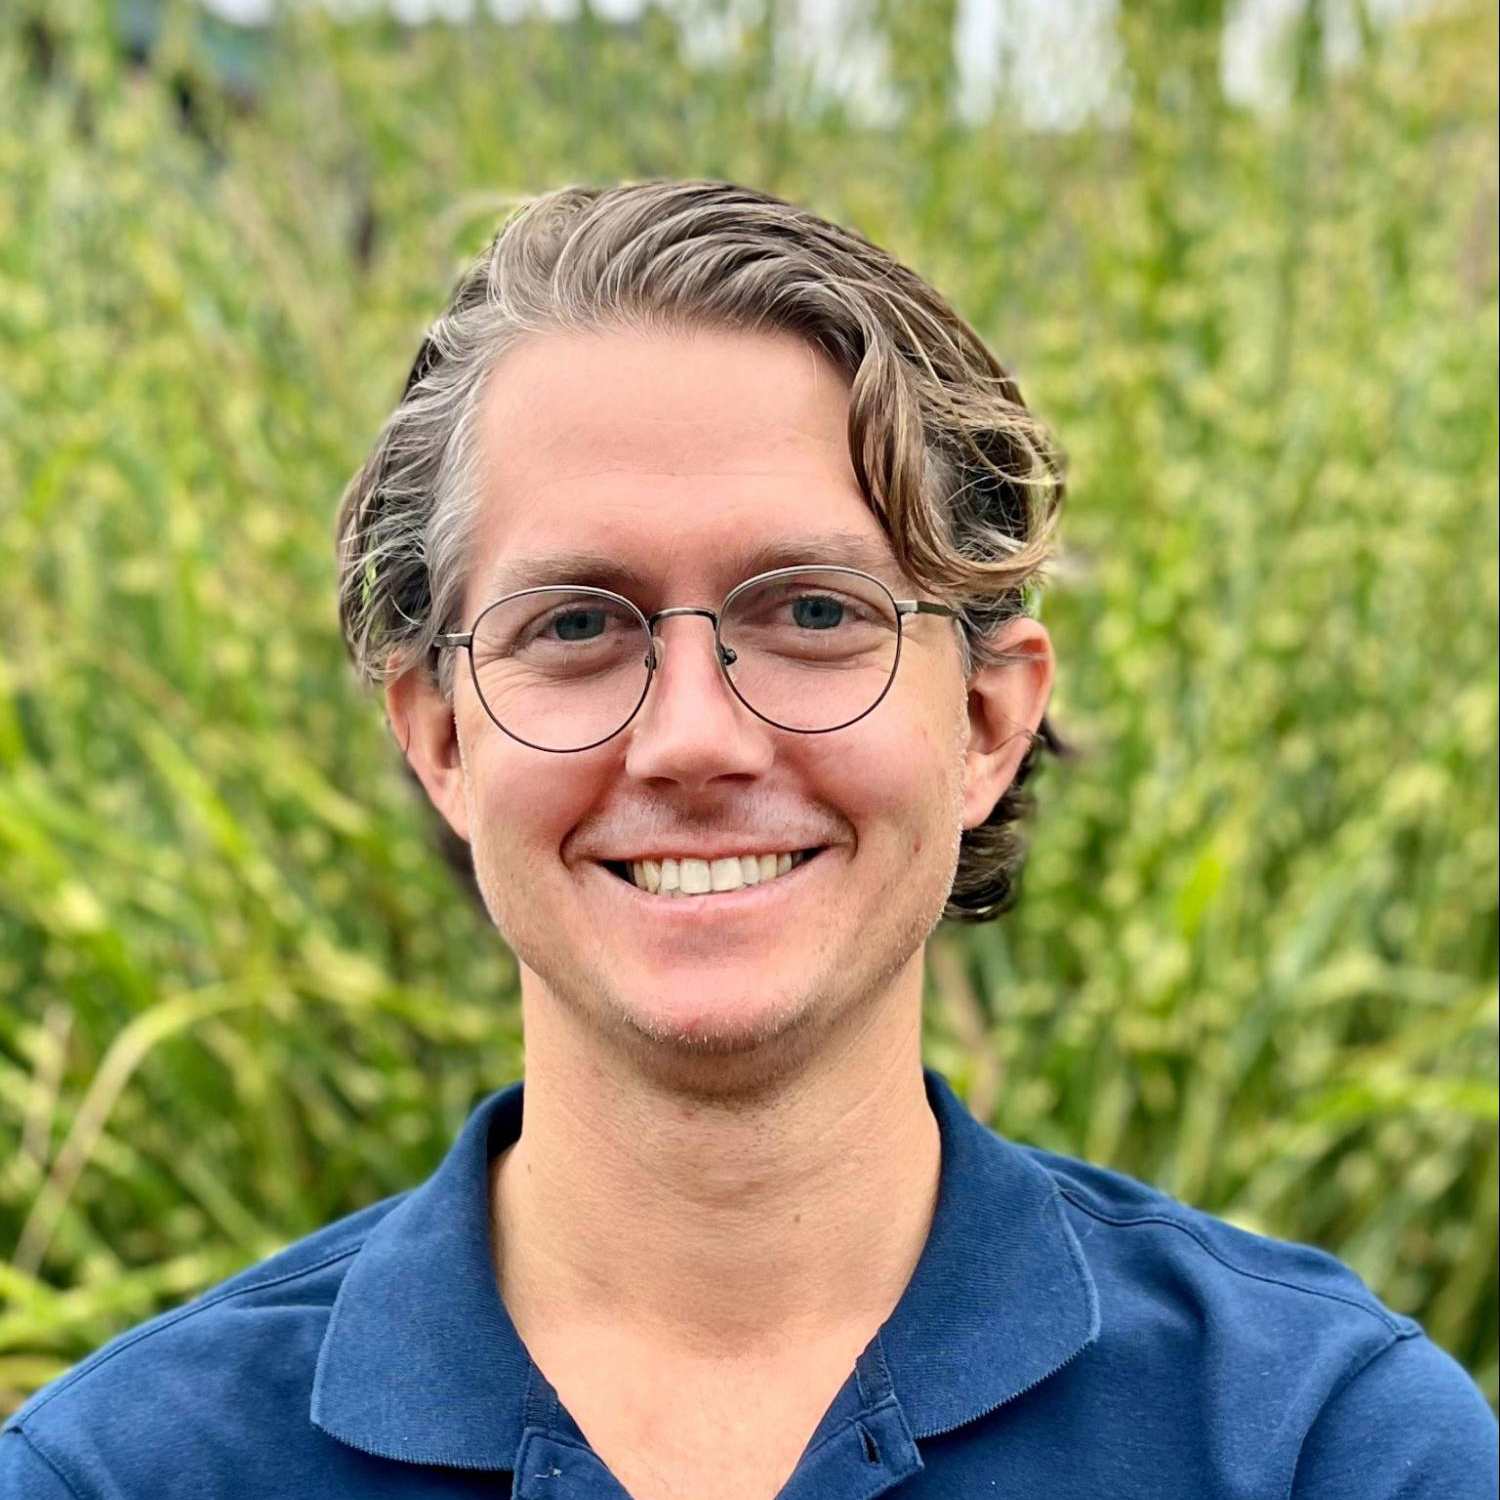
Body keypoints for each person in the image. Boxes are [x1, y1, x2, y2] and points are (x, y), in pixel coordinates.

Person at [2, 179, 1494, 1500]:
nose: (697, 738)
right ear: (441, 738)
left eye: (816, 614)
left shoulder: (1330, 1449)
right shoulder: (123, 1473)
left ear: (987, 721)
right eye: (577, 625)